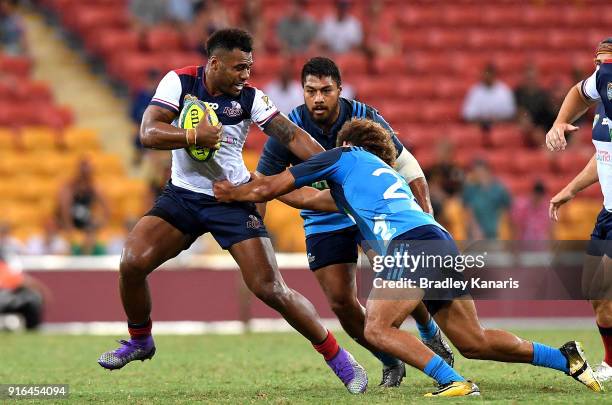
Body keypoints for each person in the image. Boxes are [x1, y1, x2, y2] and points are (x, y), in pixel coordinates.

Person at [215, 118, 603, 397]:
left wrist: (236, 184)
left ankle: (453, 381)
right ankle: (565, 358)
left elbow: (278, 184)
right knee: (474, 340)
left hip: (412, 244)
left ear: (347, 143)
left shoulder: (343, 156)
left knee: (376, 328)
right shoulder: (377, 177)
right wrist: (256, 184)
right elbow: (301, 197)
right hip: (439, 241)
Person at [97, 29, 368, 394]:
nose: (246, 75)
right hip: (183, 197)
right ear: (214, 64)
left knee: (270, 288)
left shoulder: (251, 98)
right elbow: (148, 132)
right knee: (131, 261)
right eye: (239, 68)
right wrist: (193, 137)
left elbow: (290, 136)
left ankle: (340, 359)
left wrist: (335, 165)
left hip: (233, 199)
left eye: (249, 67)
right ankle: (140, 339)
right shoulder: (180, 82)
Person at [257, 57, 453, 387]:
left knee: (394, 272)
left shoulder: (364, 117)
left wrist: (426, 214)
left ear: (340, 90)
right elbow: (264, 180)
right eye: (310, 91)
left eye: (325, 90)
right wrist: (256, 228)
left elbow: (408, 165)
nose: (318, 98)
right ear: (301, 91)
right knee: (340, 302)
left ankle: (429, 333)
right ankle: (390, 361)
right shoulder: (288, 128)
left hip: (370, 212)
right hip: (322, 216)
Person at [546, 37, 612, 382]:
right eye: (600, 63)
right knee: (595, 291)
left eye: (607, 63)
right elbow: (604, 155)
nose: (602, 71)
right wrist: (559, 123)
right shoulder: (603, 84)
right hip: (608, 212)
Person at [462, 159, 511, 240]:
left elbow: (506, 210)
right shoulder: (471, 190)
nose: (479, 175)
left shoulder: (499, 189)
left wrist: (502, 231)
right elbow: (468, 210)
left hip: (496, 233)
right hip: (477, 235)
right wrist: (475, 228)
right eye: (476, 172)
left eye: (481, 171)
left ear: (488, 171)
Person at [57, 158, 110, 233]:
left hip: (84, 221)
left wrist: (104, 222)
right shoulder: (70, 186)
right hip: (70, 219)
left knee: (93, 222)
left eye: (87, 173)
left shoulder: (93, 186)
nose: (85, 176)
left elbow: (106, 205)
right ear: (79, 172)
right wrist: (69, 226)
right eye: (83, 173)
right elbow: (64, 207)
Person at [462, 63, 516, 129]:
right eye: (486, 74)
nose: (488, 76)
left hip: (500, 126)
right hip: (480, 126)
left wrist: (496, 120)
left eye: (490, 74)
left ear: (494, 75)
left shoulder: (504, 90)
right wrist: (484, 120)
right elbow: (467, 115)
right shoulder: (475, 91)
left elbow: (511, 113)